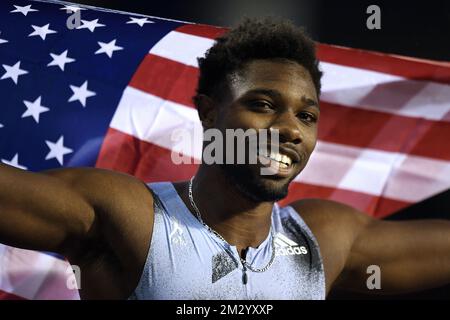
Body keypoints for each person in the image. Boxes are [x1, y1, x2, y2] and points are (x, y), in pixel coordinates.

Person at [0, 17, 449, 300]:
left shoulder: (324, 240)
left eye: (307, 115)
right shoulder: (130, 216)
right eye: (263, 104)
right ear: (209, 113)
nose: (292, 130)